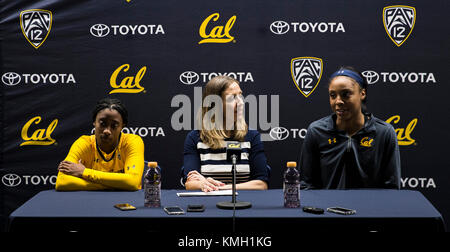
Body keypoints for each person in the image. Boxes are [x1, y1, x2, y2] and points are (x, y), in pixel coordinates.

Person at [299, 66, 401, 189]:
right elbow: (306, 184)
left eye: (345, 94)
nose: (338, 101)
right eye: (332, 95)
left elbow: (392, 188)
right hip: (328, 208)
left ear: (362, 93)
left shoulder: (384, 133)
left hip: (370, 208)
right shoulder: (316, 131)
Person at [182, 76, 269, 192]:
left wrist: (217, 187)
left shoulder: (252, 136)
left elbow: (261, 184)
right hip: (209, 206)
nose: (241, 102)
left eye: (240, 95)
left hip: (244, 205)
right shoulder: (195, 138)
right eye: (232, 97)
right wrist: (201, 184)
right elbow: (190, 183)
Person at [55, 98, 144, 191]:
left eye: (114, 126)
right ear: (94, 122)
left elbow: (133, 182)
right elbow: (62, 182)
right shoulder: (83, 143)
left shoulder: (132, 142)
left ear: (122, 126)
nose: (107, 131)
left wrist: (84, 172)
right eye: (102, 124)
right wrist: (116, 184)